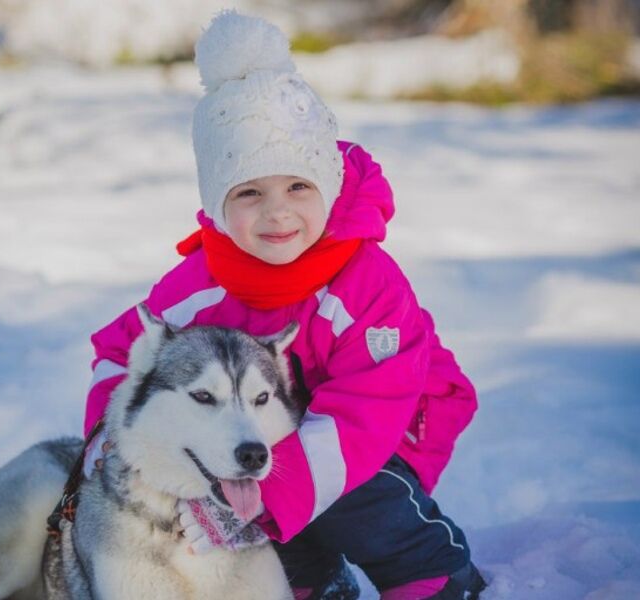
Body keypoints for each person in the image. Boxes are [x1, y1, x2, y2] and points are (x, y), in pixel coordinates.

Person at [83, 10, 486, 600]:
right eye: (249, 192)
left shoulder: (366, 284)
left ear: (329, 185)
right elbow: (126, 351)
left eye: (298, 186)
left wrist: (267, 494)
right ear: (219, 205)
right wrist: (108, 438)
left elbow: (367, 411)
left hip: (385, 429)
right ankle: (310, 578)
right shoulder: (202, 283)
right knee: (230, 484)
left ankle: (434, 572)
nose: (277, 212)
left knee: (351, 500)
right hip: (264, 435)